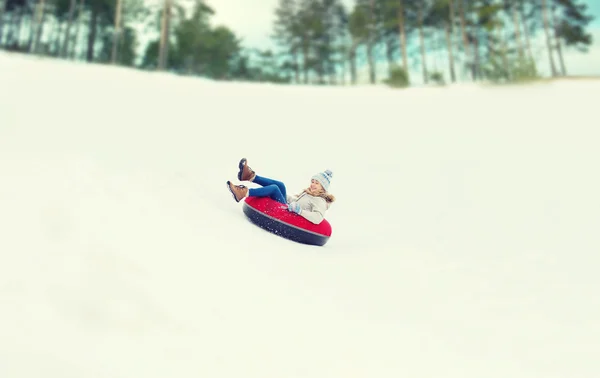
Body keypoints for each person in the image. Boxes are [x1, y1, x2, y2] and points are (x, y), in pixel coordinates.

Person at [227, 158, 335, 224]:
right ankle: (250, 177)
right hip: (289, 206)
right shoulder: (309, 194)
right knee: (280, 185)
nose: (313, 184)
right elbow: (295, 201)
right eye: (312, 181)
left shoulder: (320, 200)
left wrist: (300, 211)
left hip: (290, 214)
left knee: (274, 188)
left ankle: (243, 193)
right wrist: (285, 195)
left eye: (317, 183)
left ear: (323, 187)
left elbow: (317, 218)